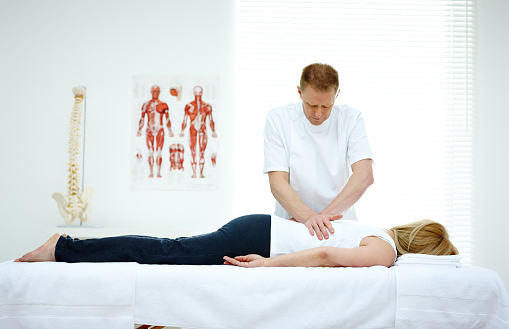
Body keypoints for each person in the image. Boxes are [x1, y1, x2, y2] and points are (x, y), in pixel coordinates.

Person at [15, 215, 458, 268]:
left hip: (258, 227)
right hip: (258, 235)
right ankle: (64, 247)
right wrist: (267, 264)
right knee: (167, 251)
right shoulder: (384, 251)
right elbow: (324, 254)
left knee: (170, 247)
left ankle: (66, 246)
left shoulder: (380, 231)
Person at [264, 63, 374, 240]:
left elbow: (365, 176)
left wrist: (320, 219)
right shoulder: (279, 119)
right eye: (311, 105)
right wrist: (309, 218)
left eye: (326, 106)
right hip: (292, 224)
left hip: (340, 224)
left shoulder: (351, 118)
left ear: (337, 95)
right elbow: (277, 183)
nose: (318, 114)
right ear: (299, 92)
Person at [179, 86, 217, 178]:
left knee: (201, 152)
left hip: (203, 129)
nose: (198, 95)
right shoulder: (189, 106)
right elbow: (185, 120)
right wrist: (182, 131)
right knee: (193, 152)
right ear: (193, 93)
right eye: (196, 93)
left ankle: (201, 173)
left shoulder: (207, 106)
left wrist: (213, 131)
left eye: (199, 93)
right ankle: (194, 173)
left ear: (202, 93)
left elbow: (211, 120)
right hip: (192, 129)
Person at [137, 85, 174, 178]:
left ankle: (158, 172)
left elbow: (167, 119)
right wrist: (139, 129)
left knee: (159, 152)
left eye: (157, 91)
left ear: (159, 92)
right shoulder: (146, 105)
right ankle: (150, 172)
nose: (155, 93)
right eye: (153, 91)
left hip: (160, 129)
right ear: (151, 92)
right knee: (150, 151)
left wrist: (170, 131)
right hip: (149, 129)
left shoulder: (164, 105)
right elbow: (142, 119)